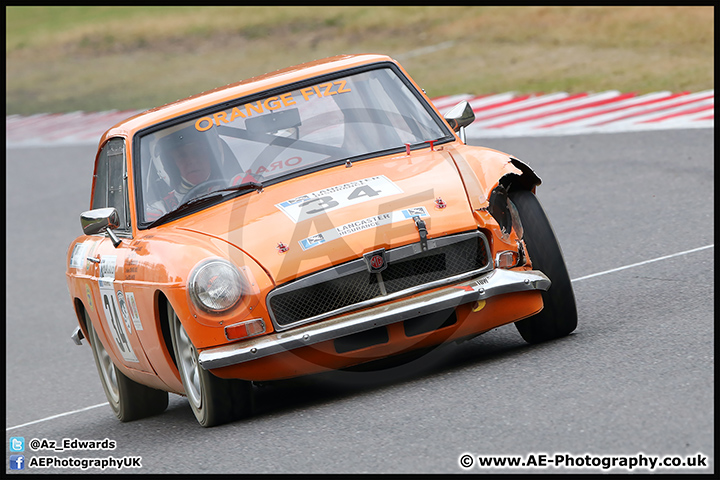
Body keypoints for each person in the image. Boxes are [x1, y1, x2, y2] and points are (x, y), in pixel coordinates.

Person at [145, 126, 226, 221]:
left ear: (211, 156)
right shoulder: (161, 211)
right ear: (171, 165)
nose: (192, 161)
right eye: (182, 156)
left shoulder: (237, 186)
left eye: (197, 152)